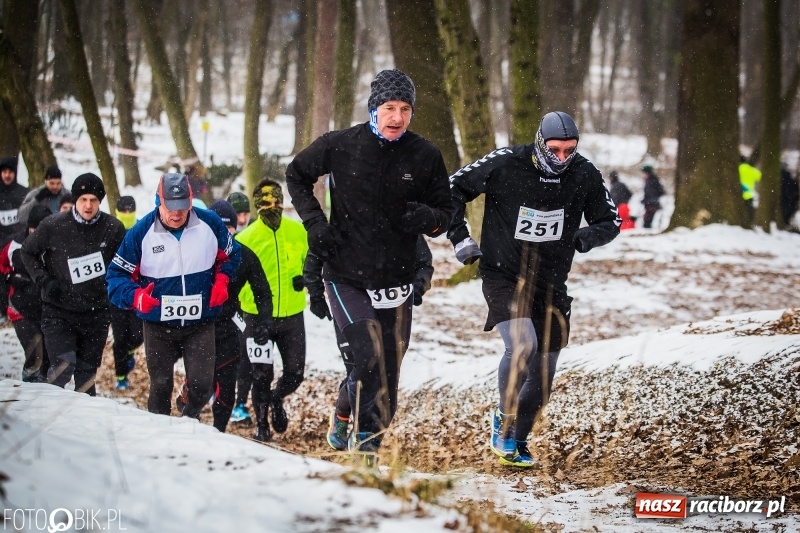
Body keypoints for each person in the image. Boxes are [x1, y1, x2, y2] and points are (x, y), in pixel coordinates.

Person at [285, 68, 453, 464]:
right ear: (373, 108)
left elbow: (445, 214)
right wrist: (315, 223)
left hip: (397, 278)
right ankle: (364, 456)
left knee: (387, 380)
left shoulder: (425, 154)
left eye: (405, 109)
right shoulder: (340, 144)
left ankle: (347, 413)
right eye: (389, 108)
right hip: (346, 275)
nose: (397, 117)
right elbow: (296, 174)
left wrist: (425, 217)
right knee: (366, 356)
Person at [448, 111, 620, 467]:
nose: (562, 158)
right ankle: (503, 420)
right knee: (522, 345)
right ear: (540, 142)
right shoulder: (506, 162)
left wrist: (585, 237)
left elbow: (611, 220)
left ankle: (518, 440)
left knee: (543, 375)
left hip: (552, 283)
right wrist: (460, 238)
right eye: (554, 150)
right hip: (504, 275)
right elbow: (451, 189)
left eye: (569, 150)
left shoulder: (584, 172)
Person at [107, 173, 241, 417]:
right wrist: (136, 297)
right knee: (161, 386)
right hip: (158, 325)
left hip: (200, 322)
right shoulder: (141, 232)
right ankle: (159, 433)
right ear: (159, 202)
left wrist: (222, 280)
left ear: (190, 202)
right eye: (171, 208)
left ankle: (187, 421)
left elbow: (232, 255)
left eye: (182, 207)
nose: (177, 215)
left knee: (202, 387)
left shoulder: (210, 224)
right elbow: (116, 277)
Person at [304, 235, 435, 451]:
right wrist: (315, 292)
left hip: (390, 304)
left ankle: (368, 441)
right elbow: (317, 250)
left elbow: (424, 262)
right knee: (363, 365)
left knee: (386, 379)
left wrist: (418, 287)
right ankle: (344, 417)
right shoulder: (347, 220)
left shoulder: (402, 222)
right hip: (350, 297)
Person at [20, 173, 125, 394]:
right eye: (83, 199)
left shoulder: (113, 228)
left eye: (93, 200)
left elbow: (124, 264)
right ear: (75, 199)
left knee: (86, 379)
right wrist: (43, 280)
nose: (88, 205)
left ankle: (83, 417)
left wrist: (117, 291)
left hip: (96, 314)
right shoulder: (54, 225)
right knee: (62, 369)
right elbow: (27, 252)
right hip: (58, 311)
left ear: (100, 201)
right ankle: (48, 411)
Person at [174, 200, 273, 433]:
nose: (224, 234)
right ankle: (188, 420)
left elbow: (263, 292)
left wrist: (264, 323)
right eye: (218, 227)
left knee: (227, 388)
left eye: (229, 229)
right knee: (202, 384)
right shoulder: (192, 253)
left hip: (229, 326)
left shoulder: (244, 255)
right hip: (198, 327)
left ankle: (218, 432)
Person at [233, 179, 308, 441]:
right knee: (261, 374)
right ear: (257, 206)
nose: (272, 206)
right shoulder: (245, 239)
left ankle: (276, 399)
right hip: (257, 318)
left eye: (277, 201)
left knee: (295, 373)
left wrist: (306, 278)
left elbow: (311, 262)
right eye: (265, 203)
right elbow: (236, 282)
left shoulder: (298, 231)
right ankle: (262, 425)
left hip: (292, 316)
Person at [0, 205, 53, 382]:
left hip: (49, 309)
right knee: (34, 354)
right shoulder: (13, 245)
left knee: (49, 358)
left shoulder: (58, 245)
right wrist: (9, 277)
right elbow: (1, 268)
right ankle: (29, 382)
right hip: (20, 308)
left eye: (41, 231)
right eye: (34, 230)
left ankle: (47, 391)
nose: (37, 235)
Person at [109, 196, 143, 390]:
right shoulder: (111, 229)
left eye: (131, 211)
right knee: (120, 337)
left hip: (138, 290)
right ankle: (121, 376)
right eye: (124, 211)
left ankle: (130, 351)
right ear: (117, 212)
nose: (127, 214)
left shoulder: (141, 228)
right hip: (116, 292)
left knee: (138, 334)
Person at [0, 156, 29, 321]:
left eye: (10, 172)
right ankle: (2, 310)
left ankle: (19, 309)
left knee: (18, 277)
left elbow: (27, 219)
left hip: (17, 244)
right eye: (4, 172)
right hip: (0, 244)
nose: (7, 175)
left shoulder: (24, 194)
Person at [738, 155, 762, 226]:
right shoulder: (751, 169)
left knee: (740, 210)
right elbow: (759, 176)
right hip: (749, 193)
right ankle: (750, 222)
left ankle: (741, 222)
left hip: (739, 193)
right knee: (749, 210)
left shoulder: (737, 169)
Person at [641, 165, 665, 229]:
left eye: (643, 173)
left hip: (651, 205)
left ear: (647, 173)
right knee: (646, 221)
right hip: (649, 204)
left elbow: (656, 193)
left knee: (647, 222)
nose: (643, 175)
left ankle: (647, 231)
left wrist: (650, 201)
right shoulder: (649, 181)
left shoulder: (652, 181)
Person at [780, 162, 798, 229]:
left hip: (787, 198)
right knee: (788, 210)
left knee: (787, 210)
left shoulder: (783, 177)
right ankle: (786, 222)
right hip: (789, 198)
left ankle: (786, 222)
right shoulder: (789, 177)